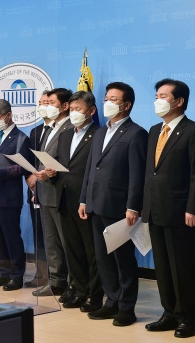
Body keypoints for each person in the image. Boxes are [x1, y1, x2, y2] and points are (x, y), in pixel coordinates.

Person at [142, 79, 195, 338]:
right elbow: (151, 172)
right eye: (156, 95)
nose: (157, 100)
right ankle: (168, 313)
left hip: (181, 211)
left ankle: (187, 319)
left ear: (179, 101)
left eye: (163, 95)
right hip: (155, 209)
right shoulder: (153, 131)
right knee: (162, 267)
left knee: (182, 267)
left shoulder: (194, 131)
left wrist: (193, 208)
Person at [79, 82, 147, 326]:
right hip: (95, 204)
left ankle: (127, 308)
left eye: (114, 99)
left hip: (119, 207)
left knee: (123, 259)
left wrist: (133, 206)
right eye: (106, 97)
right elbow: (90, 169)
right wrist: (84, 199)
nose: (107, 102)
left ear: (126, 105)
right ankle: (111, 302)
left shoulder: (136, 133)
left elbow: (137, 174)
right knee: (103, 258)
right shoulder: (99, 131)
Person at [50, 91, 102, 312]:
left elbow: (96, 172)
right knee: (72, 249)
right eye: (71, 109)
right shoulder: (65, 135)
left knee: (91, 250)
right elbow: (63, 165)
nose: (73, 113)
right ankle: (78, 290)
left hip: (86, 201)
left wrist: (87, 199)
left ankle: (94, 293)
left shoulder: (99, 135)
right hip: (64, 197)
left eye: (78, 109)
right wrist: (51, 173)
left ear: (91, 111)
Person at [0, 99, 33, 291]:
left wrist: (1, 172)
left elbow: (23, 167)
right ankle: (2, 272)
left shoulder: (21, 139)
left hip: (9, 196)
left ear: (8, 115)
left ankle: (16, 275)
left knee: (11, 237)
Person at [33, 88, 74, 302]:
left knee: (67, 242)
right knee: (51, 241)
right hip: (44, 190)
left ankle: (73, 284)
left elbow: (70, 162)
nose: (46, 105)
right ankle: (56, 281)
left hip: (62, 193)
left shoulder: (70, 127)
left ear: (65, 106)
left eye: (50, 102)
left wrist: (53, 171)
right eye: (45, 102)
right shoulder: (49, 128)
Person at [24, 91, 51, 288]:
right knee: (38, 235)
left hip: (52, 190)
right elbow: (30, 161)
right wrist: (29, 176)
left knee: (54, 238)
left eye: (47, 102)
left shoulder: (64, 130)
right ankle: (41, 274)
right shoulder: (35, 131)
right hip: (34, 191)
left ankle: (57, 276)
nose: (42, 106)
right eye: (40, 103)